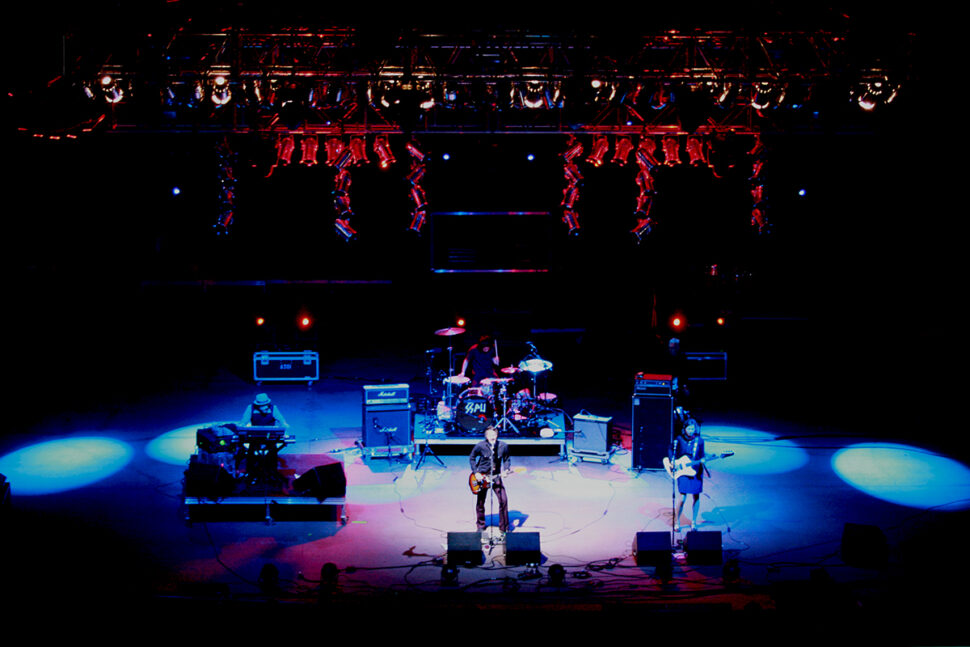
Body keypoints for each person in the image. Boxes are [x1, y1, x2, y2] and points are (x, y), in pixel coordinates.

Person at [469, 426, 510, 538]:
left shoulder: (503, 446)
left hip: (496, 476)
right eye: (489, 435)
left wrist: (506, 470)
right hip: (482, 477)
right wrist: (476, 472)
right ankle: (480, 525)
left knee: (503, 500)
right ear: (486, 436)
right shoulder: (480, 446)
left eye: (494, 435)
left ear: (497, 435)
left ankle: (504, 527)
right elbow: (472, 457)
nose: (492, 437)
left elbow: (506, 459)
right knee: (481, 502)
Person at [670, 418, 705, 532]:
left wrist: (703, 460)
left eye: (693, 428)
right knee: (683, 498)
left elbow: (702, 454)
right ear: (684, 429)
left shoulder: (699, 441)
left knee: (696, 496)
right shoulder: (679, 439)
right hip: (683, 470)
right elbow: (671, 450)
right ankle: (677, 521)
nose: (691, 430)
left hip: (695, 470)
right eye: (689, 428)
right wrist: (672, 461)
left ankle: (694, 522)